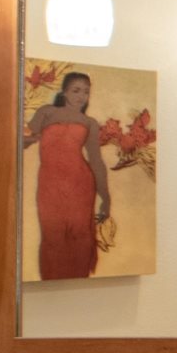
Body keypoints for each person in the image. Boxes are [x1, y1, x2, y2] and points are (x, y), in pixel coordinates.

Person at [23, 71, 111, 281]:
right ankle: (52, 286)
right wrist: (25, 137)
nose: (81, 96)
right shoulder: (47, 112)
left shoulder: (89, 122)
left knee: (80, 237)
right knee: (52, 237)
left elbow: (96, 161)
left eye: (86, 92)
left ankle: (79, 286)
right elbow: (24, 139)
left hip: (80, 185)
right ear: (64, 92)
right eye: (76, 90)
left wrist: (106, 198)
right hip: (50, 185)